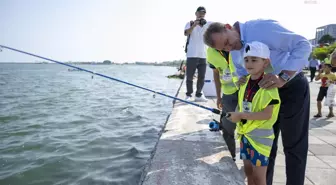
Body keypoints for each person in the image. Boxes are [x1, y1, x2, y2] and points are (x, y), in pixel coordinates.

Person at [203, 20, 312, 185]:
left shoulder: (261, 28)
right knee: (266, 147)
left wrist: (283, 76)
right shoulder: (233, 51)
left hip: (291, 87)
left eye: (227, 42)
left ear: (228, 27)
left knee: (294, 146)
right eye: (223, 49)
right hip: (263, 96)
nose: (229, 48)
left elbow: (303, 45)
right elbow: (241, 74)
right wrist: (242, 83)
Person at [228, 41, 280, 185]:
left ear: (265, 62)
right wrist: (236, 115)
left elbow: (266, 115)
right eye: (246, 59)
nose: (249, 63)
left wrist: (241, 116)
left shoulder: (269, 86)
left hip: (260, 140)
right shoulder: (244, 82)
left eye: (254, 60)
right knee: (248, 172)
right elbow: (241, 106)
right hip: (245, 136)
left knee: (259, 177)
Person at [206, 47, 239, 161]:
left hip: (247, 91)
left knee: (249, 128)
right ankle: (231, 158)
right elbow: (216, 73)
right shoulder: (210, 52)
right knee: (227, 127)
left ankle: (250, 162)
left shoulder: (237, 42)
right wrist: (218, 96)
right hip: (228, 94)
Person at [184, 6, 210, 102]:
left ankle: (199, 95)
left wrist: (205, 26)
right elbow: (186, 33)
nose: (201, 14)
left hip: (203, 55)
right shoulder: (190, 23)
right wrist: (194, 25)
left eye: (203, 13)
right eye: (199, 12)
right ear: (196, 13)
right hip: (192, 54)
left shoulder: (206, 25)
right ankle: (189, 95)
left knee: (202, 76)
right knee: (190, 76)